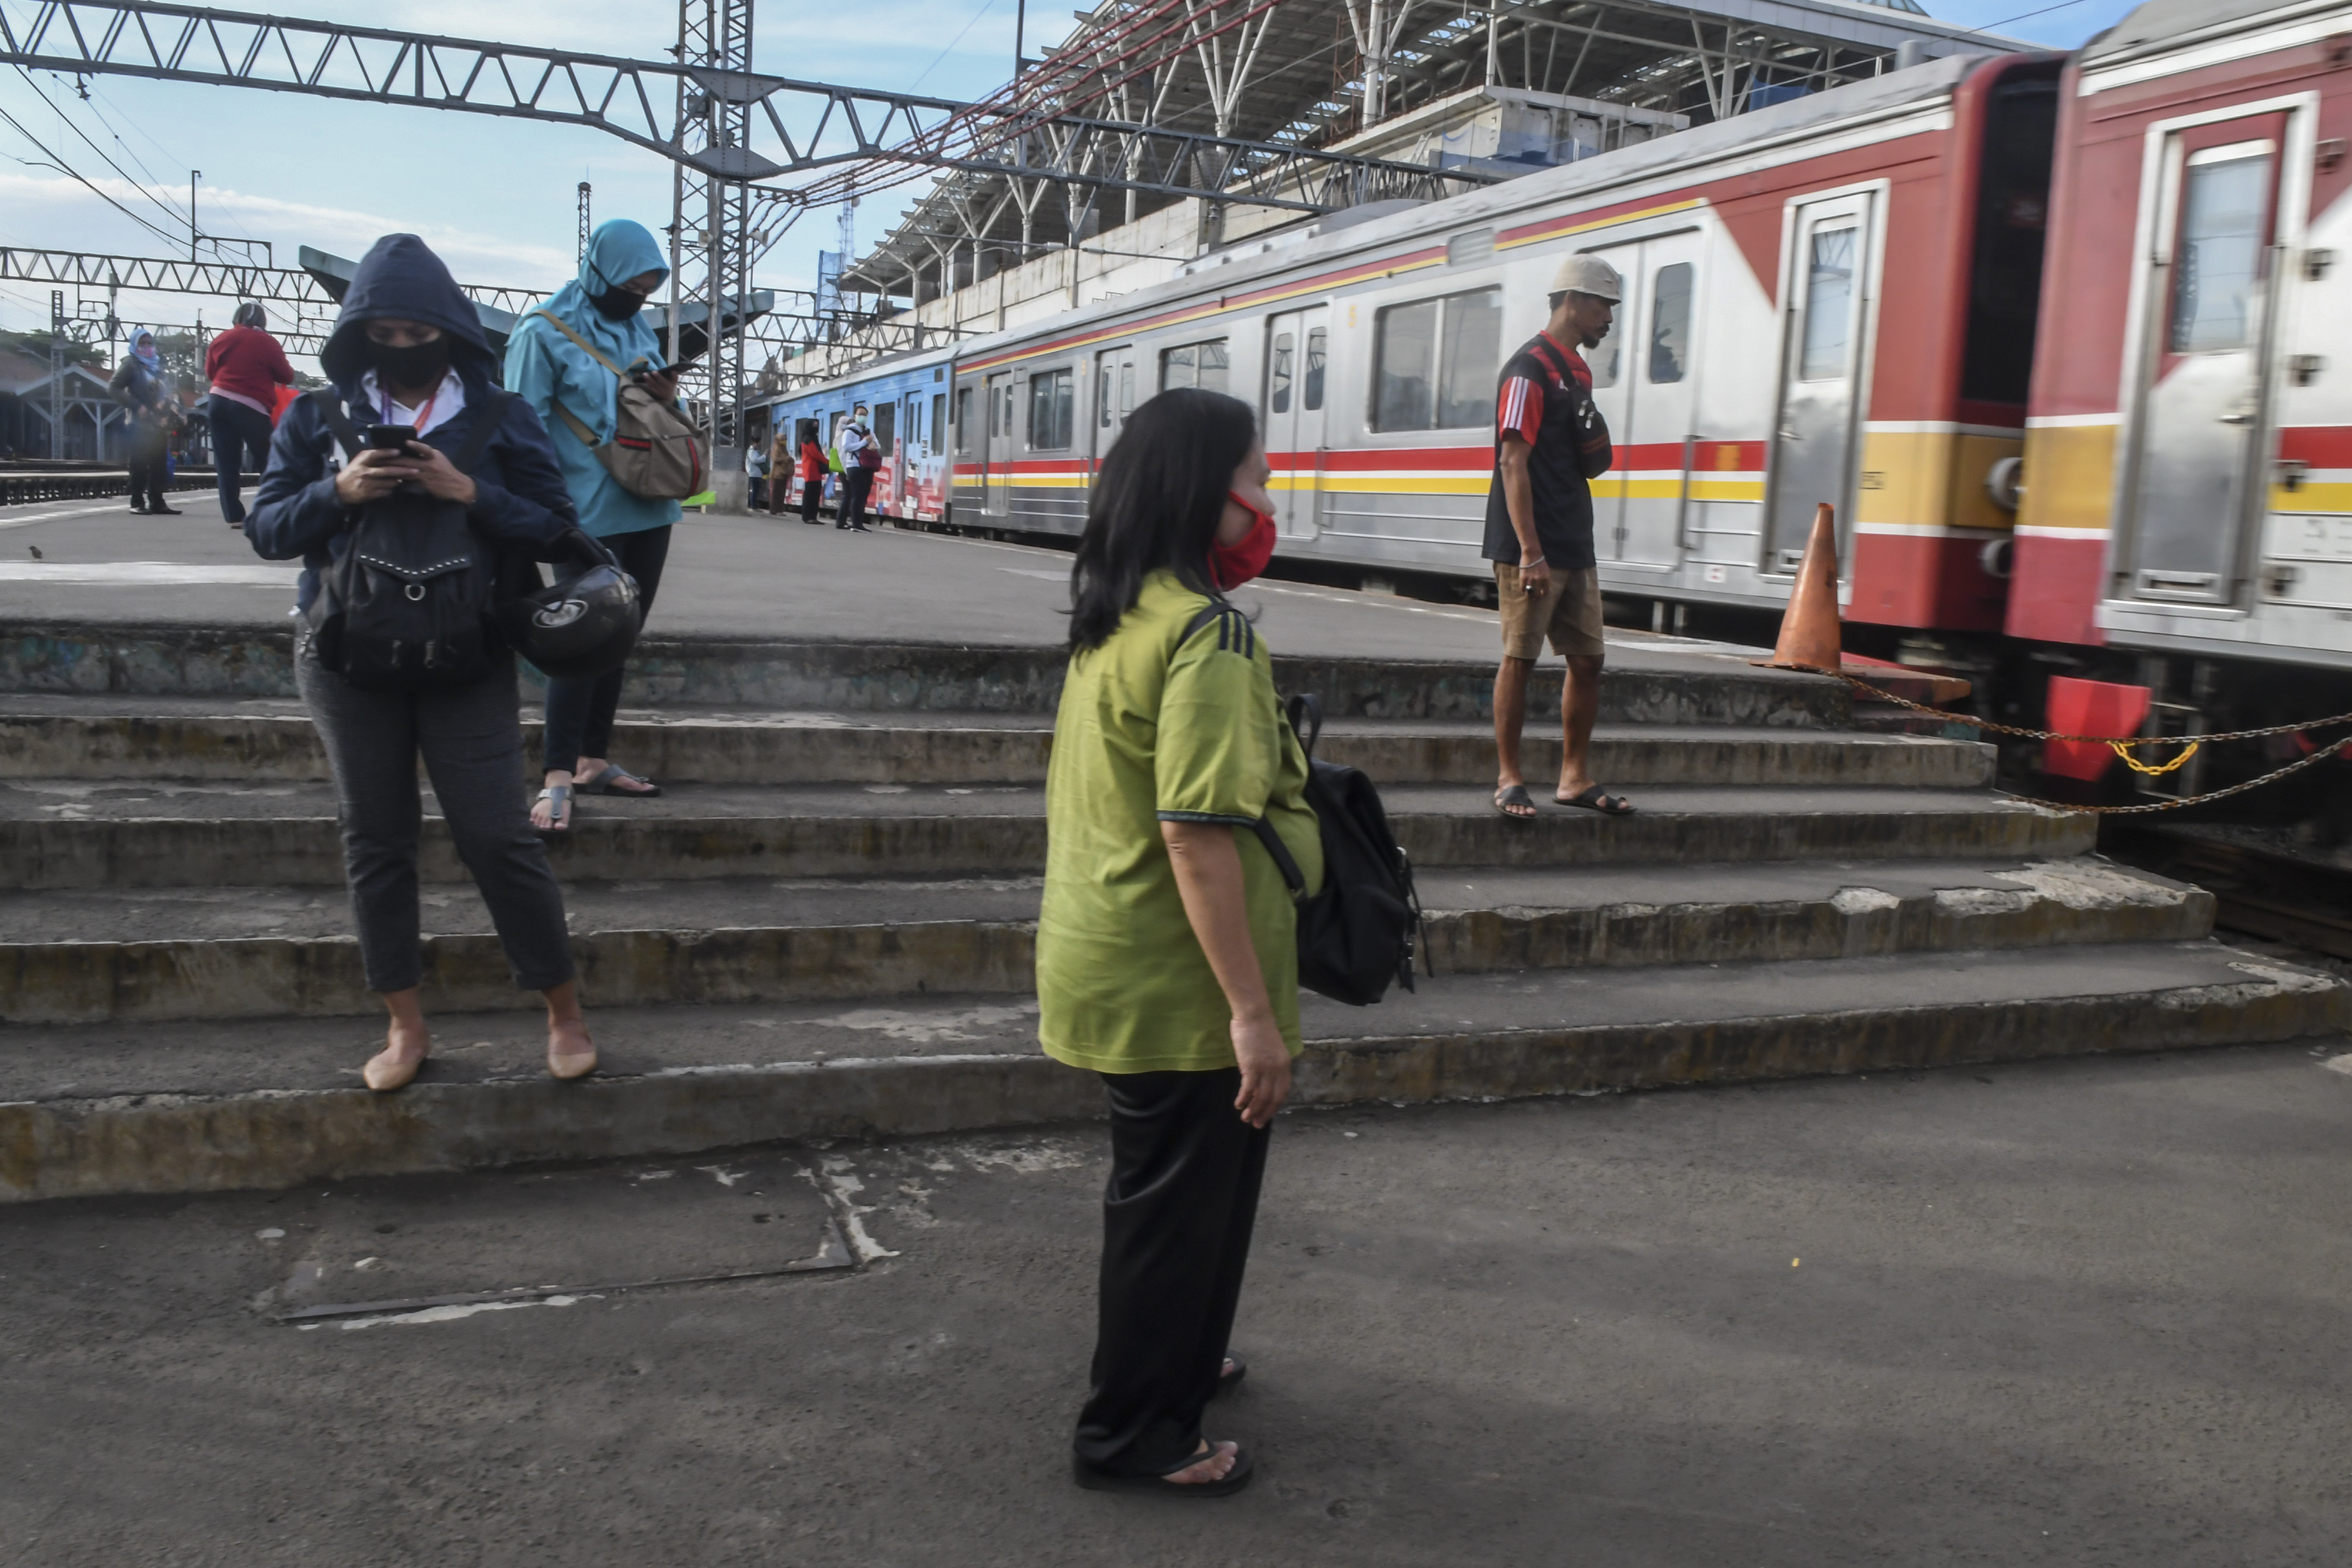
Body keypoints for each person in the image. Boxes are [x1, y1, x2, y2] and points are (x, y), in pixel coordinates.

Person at [1038, 387, 1315, 1499]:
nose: (1266, 498)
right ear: (1208, 494)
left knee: (1188, 1196)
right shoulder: (1207, 636)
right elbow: (1196, 835)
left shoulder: (1122, 610)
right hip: (1178, 975)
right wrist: (1252, 1013)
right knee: (1171, 1205)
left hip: (1112, 948)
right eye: (1254, 475)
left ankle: (1184, 1362)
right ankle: (1135, 1435)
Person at [243, 233, 594, 1092]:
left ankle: (564, 1009)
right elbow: (266, 528)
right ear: (359, 332)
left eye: (418, 333)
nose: (403, 350)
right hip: (341, 655)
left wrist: (470, 491)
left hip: (466, 649)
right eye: (386, 335)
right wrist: (339, 490)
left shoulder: (503, 416)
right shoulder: (313, 417)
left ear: (451, 328)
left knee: (496, 834)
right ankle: (404, 1024)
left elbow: (560, 530)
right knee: (376, 836)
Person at [505, 219, 682, 833]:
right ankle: (555, 775)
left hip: (649, 503)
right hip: (580, 512)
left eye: (647, 286)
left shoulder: (637, 327)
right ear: (598, 269)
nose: (637, 296)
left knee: (621, 635)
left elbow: (659, 413)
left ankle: (591, 760)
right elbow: (518, 430)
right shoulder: (540, 333)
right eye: (629, 283)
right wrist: (532, 517)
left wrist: (668, 394)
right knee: (578, 641)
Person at [1485, 253, 1628, 819]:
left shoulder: (1578, 370)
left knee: (1588, 659)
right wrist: (1530, 551)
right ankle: (1509, 776)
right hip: (1534, 545)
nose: (1609, 319)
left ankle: (1573, 777)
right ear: (1572, 300)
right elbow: (1512, 462)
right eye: (1603, 306)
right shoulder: (1528, 369)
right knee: (1519, 658)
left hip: (1574, 536)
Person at [204, 302, 298, 527]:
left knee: (226, 461)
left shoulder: (223, 338)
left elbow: (210, 372)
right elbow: (287, 376)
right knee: (269, 458)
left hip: (217, 400)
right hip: (250, 405)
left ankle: (234, 516)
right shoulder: (267, 342)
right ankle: (273, 509)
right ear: (263, 322)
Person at [110, 329, 179, 515]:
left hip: (159, 424)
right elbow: (114, 388)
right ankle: (137, 502)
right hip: (139, 424)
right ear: (134, 345)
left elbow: (167, 391)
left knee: (159, 464)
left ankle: (158, 501)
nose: (147, 348)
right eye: (142, 344)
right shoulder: (131, 364)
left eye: (149, 343)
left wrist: (172, 408)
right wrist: (136, 406)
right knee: (139, 464)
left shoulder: (156, 366)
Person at [836, 403, 876, 531]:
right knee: (856, 495)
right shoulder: (849, 431)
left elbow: (877, 445)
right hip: (854, 466)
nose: (862, 417)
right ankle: (856, 524)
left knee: (864, 494)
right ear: (855, 416)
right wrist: (864, 443)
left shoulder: (869, 431)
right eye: (860, 415)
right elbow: (846, 448)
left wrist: (873, 444)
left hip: (867, 466)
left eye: (865, 415)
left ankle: (858, 523)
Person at [797, 427, 828, 524]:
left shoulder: (811, 438)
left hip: (815, 470)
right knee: (811, 494)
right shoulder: (808, 439)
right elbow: (815, 454)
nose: (816, 427)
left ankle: (812, 516)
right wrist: (828, 462)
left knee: (815, 493)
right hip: (811, 470)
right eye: (814, 425)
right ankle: (808, 517)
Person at [744, 433, 769, 511]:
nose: (761, 445)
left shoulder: (756, 452)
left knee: (757, 490)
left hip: (758, 474)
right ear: (755, 443)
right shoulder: (751, 452)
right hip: (753, 474)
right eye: (760, 443)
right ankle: (753, 506)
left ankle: (755, 505)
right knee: (755, 490)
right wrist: (764, 455)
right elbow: (755, 460)